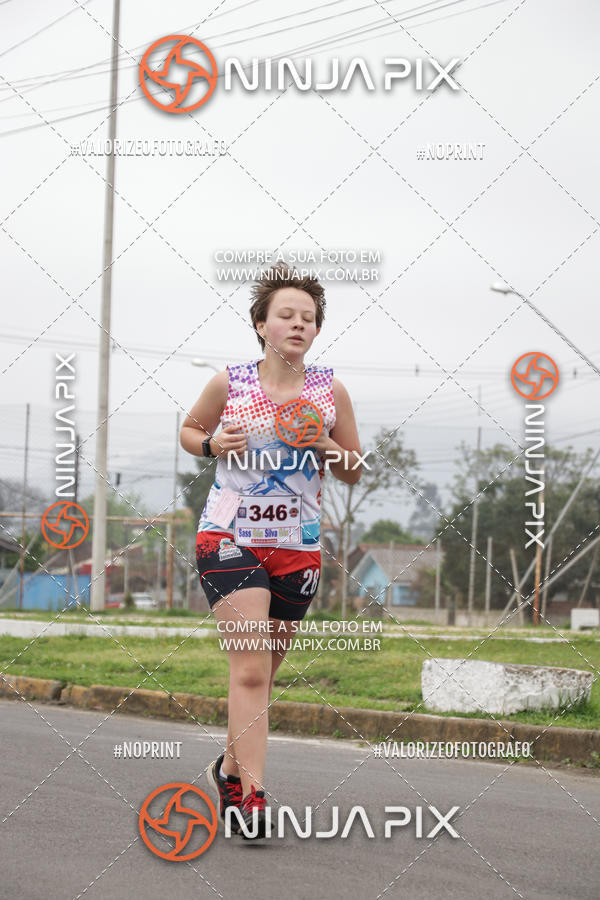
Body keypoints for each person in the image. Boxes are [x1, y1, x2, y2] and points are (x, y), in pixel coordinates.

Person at [179, 263, 362, 839]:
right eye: (286, 315)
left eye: (309, 318)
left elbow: (354, 471)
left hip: (298, 546)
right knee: (252, 667)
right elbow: (187, 431)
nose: (298, 324)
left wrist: (326, 443)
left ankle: (228, 768)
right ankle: (252, 796)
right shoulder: (229, 384)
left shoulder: (329, 391)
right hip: (229, 537)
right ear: (261, 324)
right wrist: (211, 443)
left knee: (266, 671)